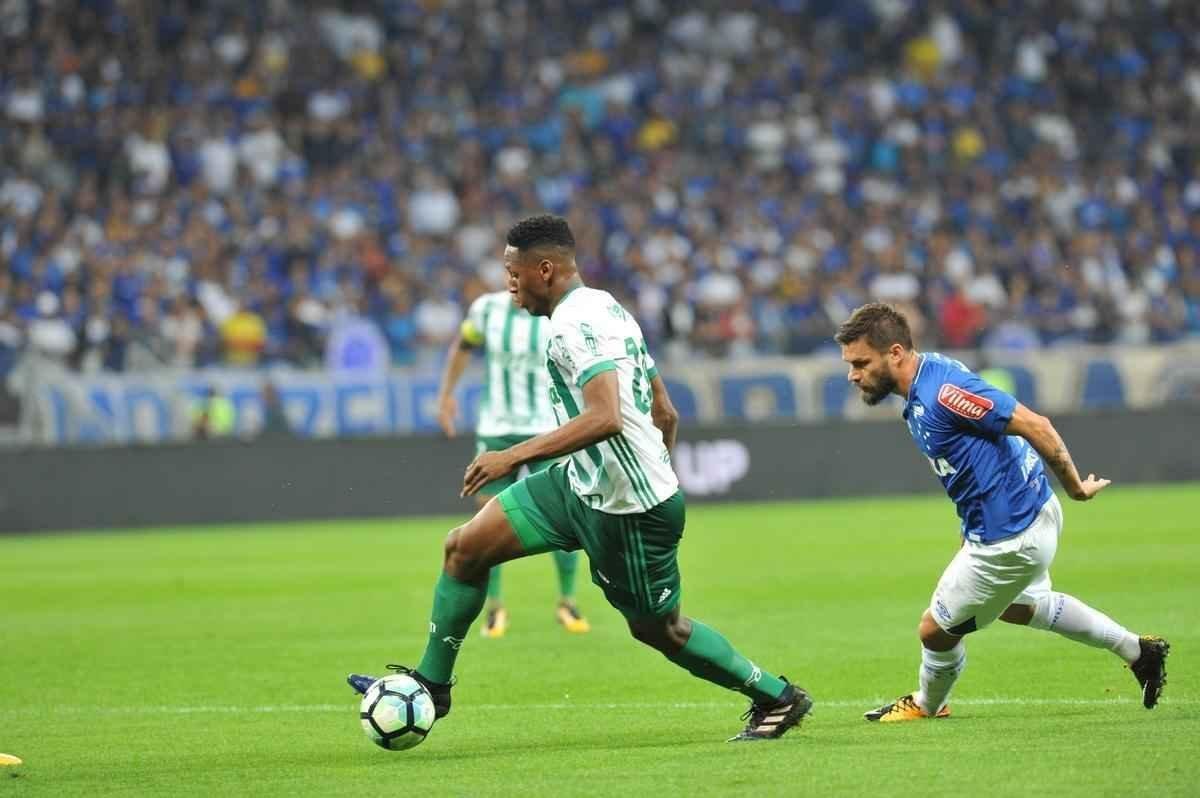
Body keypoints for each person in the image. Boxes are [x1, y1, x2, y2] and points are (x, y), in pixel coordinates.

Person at [349, 215, 811, 741]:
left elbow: (607, 416)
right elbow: (665, 409)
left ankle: (777, 696)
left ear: (544, 269)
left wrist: (512, 456)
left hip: (628, 513)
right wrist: (652, 459)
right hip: (578, 484)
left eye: (514, 272)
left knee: (659, 629)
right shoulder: (605, 305)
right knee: (465, 548)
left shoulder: (575, 325)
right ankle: (433, 685)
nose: (509, 284)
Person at [833, 302, 1169, 722]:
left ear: (895, 352)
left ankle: (927, 704)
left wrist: (1077, 488)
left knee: (934, 630)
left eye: (861, 363)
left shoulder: (943, 393)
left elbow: (1037, 426)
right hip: (1027, 516)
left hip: (1010, 537)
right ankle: (1139, 651)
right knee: (1017, 606)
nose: (853, 374)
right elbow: (972, 463)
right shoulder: (927, 380)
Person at [435, 280, 589, 638]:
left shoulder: (557, 311)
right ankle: (495, 607)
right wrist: (446, 395)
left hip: (547, 429)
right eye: (510, 272)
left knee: (564, 515)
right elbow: (463, 344)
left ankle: (567, 601)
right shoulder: (486, 310)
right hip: (497, 429)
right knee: (487, 519)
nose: (515, 279)